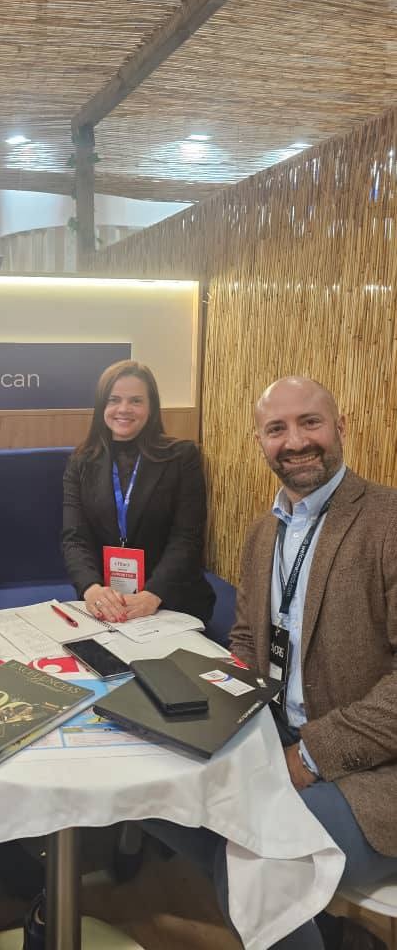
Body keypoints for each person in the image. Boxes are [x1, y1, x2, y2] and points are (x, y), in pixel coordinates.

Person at [145, 376, 397, 949]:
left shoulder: (388, 520)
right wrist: (208, 708)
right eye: (276, 429)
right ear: (259, 441)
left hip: (376, 768)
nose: (296, 441)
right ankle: (324, 930)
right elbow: (246, 641)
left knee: (256, 863)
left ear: (341, 427)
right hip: (276, 730)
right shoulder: (264, 533)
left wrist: (308, 757)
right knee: (155, 793)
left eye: (311, 422)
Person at [61, 359, 215, 623]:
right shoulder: (80, 462)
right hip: (107, 602)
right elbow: (74, 538)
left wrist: (153, 595)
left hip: (171, 598)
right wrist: (92, 589)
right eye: (114, 400)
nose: (124, 409)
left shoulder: (181, 457)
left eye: (136, 401)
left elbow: (187, 538)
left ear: (151, 407)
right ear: (102, 406)